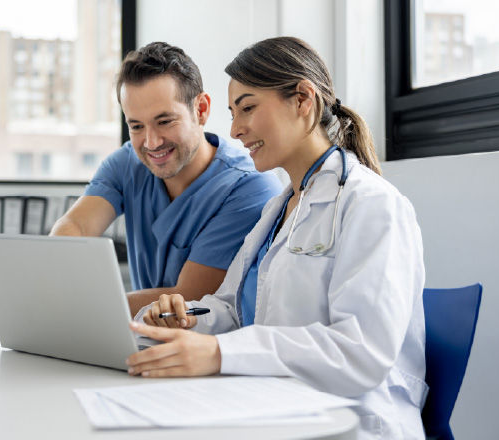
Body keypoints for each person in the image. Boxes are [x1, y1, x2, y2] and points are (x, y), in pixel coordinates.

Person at [127, 37, 428, 440]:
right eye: (234, 113)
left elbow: (362, 353)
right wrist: (183, 322)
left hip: (352, 422)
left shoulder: (372, 204)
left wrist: (219, 353)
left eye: (248, 108)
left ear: (303, 99)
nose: (235, 130)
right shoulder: (279, 209)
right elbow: (232, 309)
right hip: (274, 406)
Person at [51, 42, 282, 316]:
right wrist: (57, 274)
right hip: (139, 339)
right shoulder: (128, 163)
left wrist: (82, 304)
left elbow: (188, 296)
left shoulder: (249, 187)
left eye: (164, 121)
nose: (151, 142)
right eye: (136, 126)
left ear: (201, 109)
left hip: (209, 348)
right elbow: (75, 225)